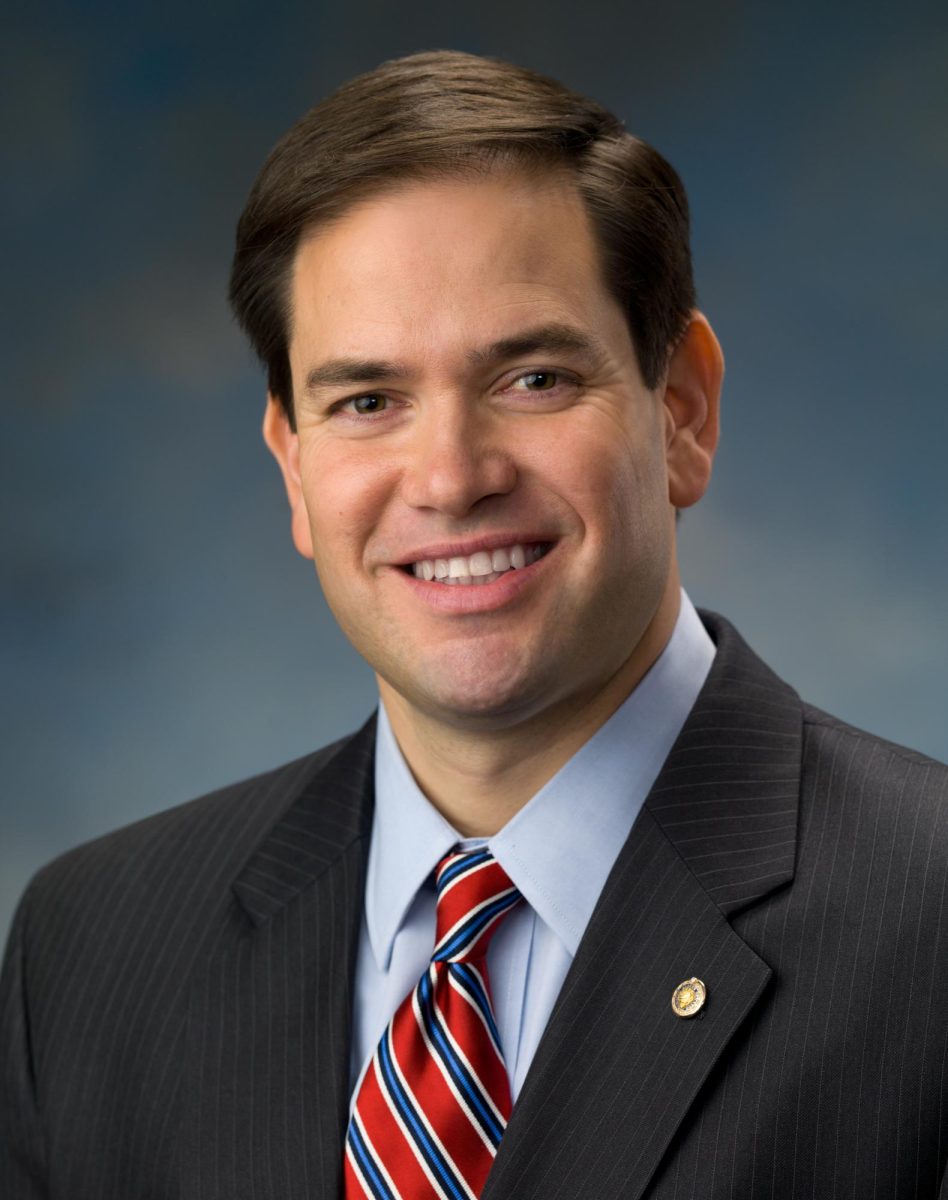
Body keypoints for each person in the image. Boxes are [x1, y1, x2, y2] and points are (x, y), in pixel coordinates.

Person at [2, 49, 946, 1200]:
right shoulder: (91, 950)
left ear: (683, 409)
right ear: (293, 467)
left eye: (534, 378)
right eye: (367, 402)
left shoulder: (927, 918)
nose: (449, 478)